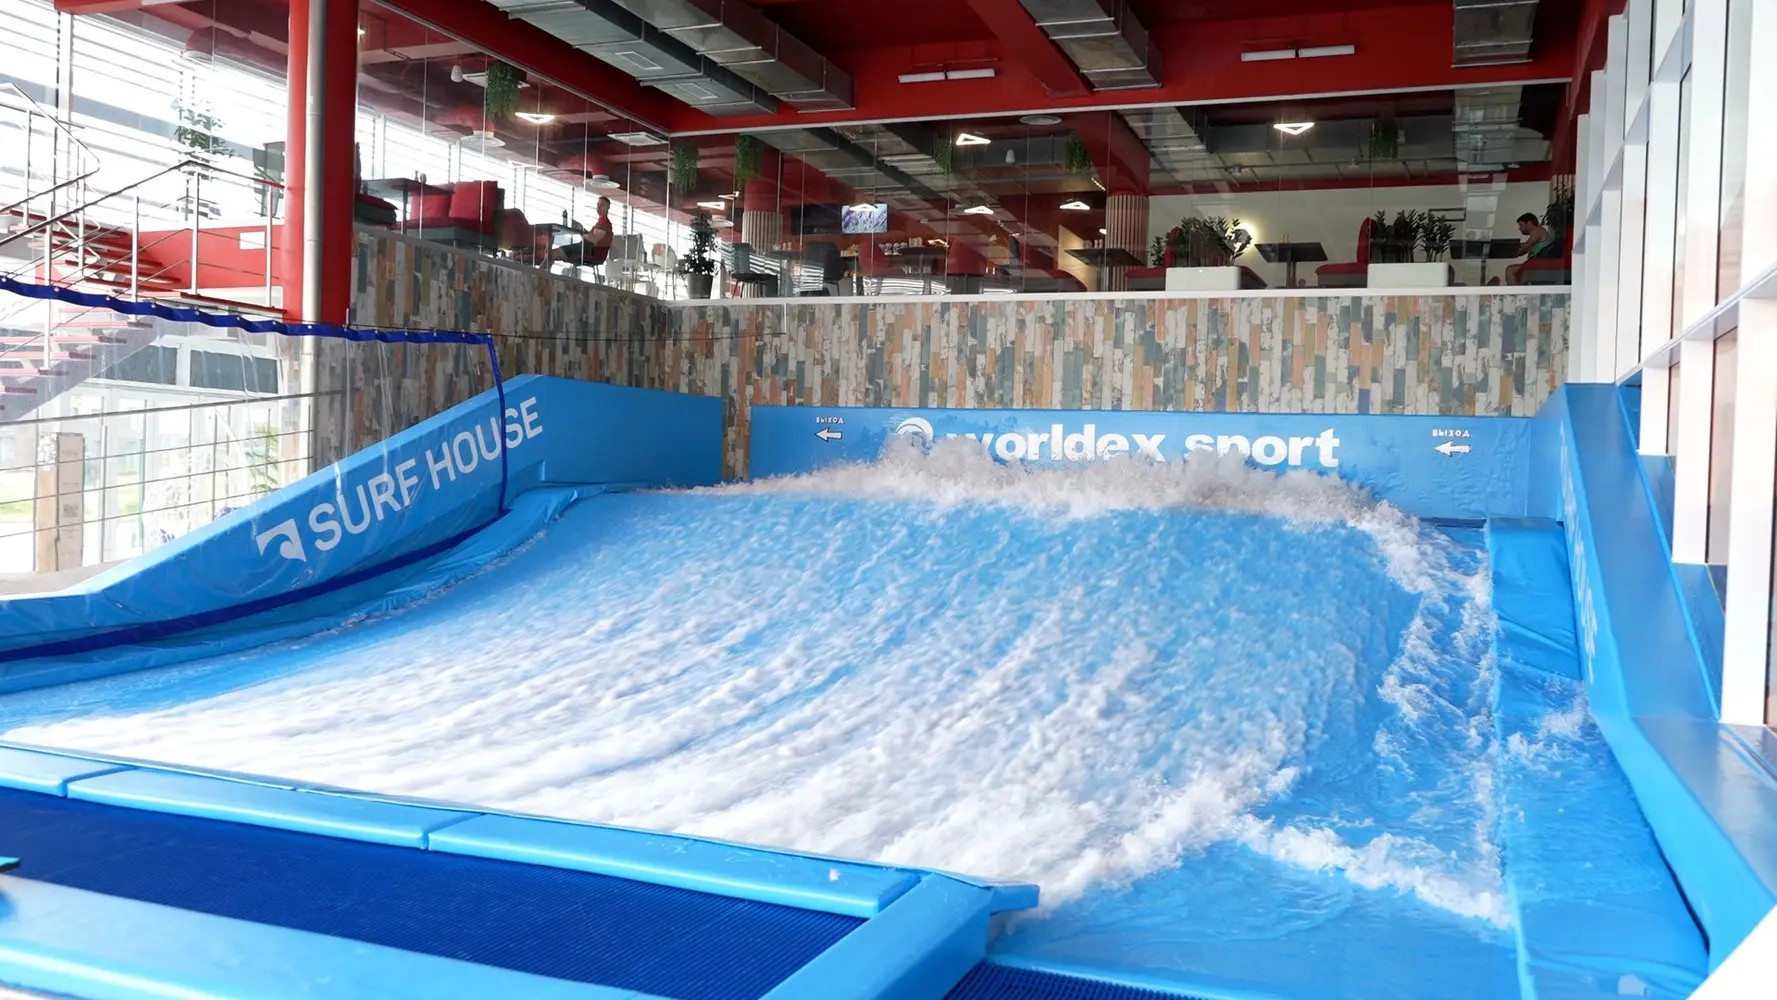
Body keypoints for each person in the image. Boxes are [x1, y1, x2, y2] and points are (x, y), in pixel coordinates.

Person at [1505, 212, 1559, 284]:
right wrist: (1514, 252)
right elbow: (1523, 251)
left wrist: (1509, 246)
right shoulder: (1535, 237)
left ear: (1529, 223)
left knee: (1510, 270)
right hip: (1540, 263)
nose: (1519, 228)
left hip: (1543, 264)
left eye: (1521, 224)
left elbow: (1526, 245)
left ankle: (1514, 291)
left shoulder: (1538, 230)